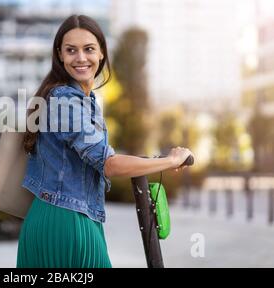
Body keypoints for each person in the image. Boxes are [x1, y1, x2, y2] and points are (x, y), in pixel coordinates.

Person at [17, 14, 194, 268]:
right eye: (71, 50)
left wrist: (158, 162)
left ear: (101, 53)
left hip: (62, 216)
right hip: (67, 223)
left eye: (88, 49)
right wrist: (170, 160)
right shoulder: (65, 100)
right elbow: (108, 164)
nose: (80, 58)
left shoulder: (78, 98)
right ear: (60, 55)